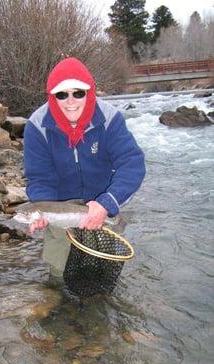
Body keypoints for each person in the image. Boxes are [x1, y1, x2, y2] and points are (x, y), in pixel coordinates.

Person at [23, 57, 145, 277]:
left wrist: (107, 204)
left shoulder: (109, 118)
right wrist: (42, 208)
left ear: (89, 92)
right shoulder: (37, 125)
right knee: (59, 276)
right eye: (62, 94)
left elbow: (132, 164)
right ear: (52, 96)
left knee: (102, 274)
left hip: (101, 208)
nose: (71, 101)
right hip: (59, 210)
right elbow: (40, 178)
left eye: (78, 92)